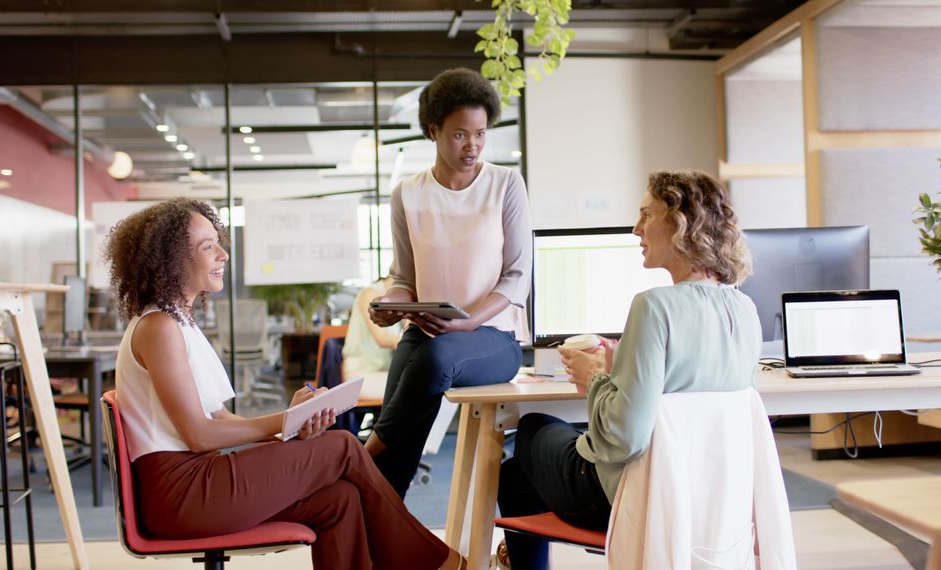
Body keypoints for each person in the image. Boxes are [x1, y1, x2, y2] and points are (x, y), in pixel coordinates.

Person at [104, 198, 465, 570]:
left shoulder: (179, 324)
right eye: (207, 247)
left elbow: (219, 419)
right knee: (341, 445)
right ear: (171, 260)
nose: (223, 254)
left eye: (218, 243)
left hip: (200, 483)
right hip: (183, 496)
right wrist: (283, 423)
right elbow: (199, 435)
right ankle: (434, 562)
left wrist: (291, 424)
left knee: (340, 499)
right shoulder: (158, 327)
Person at [495, 170, 762, 569]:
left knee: (533, 426)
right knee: (514, 474)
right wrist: (622, 363)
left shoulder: (653, 306)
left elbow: (622, 439)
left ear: (679, 221)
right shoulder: (744, 309)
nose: (637, 229)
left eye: (646, 215)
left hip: (634, 498)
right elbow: (687, 392)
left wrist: (595, 380)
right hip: (707, 504)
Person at [367, 67, 532, 498]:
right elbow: (405, 278)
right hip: (426, 336)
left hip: (494, 338)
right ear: (432, 130)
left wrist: (467, 321)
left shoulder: (506, 184)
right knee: (393, 466)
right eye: (460, 134)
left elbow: (517, 276)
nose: (473, 145)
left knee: (433, 361)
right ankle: (382, 531)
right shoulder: (408, 193)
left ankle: (366, 449)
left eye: (480, 133)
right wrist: (391, 305)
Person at [342, 275, 402, 399]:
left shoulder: (401, 300)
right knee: (422, 386)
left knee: (437, 385)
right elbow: (381, 339)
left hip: (383, 372)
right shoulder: (370, 294)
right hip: (361, 375)